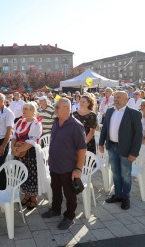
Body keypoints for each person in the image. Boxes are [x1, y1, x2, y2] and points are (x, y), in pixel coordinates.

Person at [41, 98, 86, 230]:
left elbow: (82, 149)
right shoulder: (56, 122)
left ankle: (70, 216)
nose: (54, 110)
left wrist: (78, 168)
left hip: (68, 166)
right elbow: (53, 140)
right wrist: (50, 156)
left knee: (69, 193)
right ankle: (55, 209)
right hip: (55, 164)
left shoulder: (76, 125)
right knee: (55, 188)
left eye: (57, 107)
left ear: (66, 108)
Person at [99, 91, 143, 210]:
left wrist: (134, 153)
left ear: (126, 99)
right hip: (112, 147)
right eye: (115, 97)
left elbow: (138, 135)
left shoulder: (134, 114)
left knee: (126, 174)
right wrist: (101, 143)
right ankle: (118, 195)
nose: (116, 99)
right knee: (115, 172)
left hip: (126, 149)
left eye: (119, 97)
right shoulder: (109, 111)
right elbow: (105, 129)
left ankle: (125, 197)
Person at [11, 102, 43, 210]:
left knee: (31, 175)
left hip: (30, 153)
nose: (23, 111)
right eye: (23, 109)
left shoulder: (36, 123)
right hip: (19, 152)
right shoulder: (20, 121)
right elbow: (14, 135)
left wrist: (18, 150)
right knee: (22, 174)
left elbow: (32, 141)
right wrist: (13, 148)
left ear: (33, 111)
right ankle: (26, 195)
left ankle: (33, 197)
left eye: (26, 109)